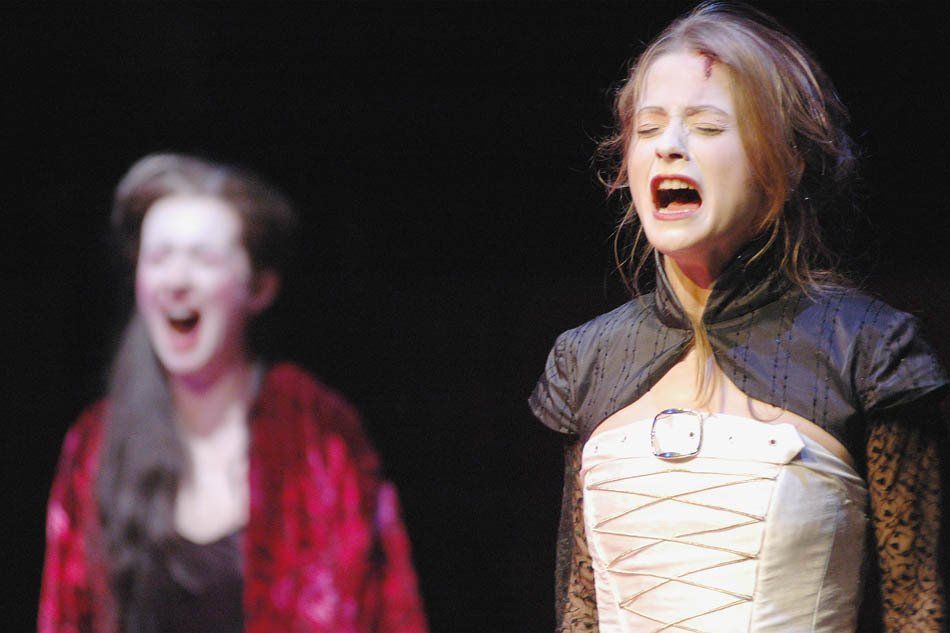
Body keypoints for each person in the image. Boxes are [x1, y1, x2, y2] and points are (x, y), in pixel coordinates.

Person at [529, 3, 945, 632]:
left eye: (706, 126)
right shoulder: (590, 360)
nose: (669, 146)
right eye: (648, 127)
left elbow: (917, 610)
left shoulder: (865, 351)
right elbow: (579, 608)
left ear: (784, 162)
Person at [39, 154, 427, 632]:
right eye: (159, 257)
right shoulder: (95, 447)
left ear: (259, 288)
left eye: (204, 258)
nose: (177, 280)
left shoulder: (320, 439)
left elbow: (394, 613)